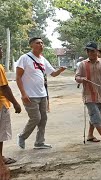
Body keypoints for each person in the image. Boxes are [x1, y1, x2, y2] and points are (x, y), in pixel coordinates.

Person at [16, 37, 66, 149]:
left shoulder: (43, 59)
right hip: (30, 95)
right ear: (31, 45)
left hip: (42, 95)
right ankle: (22, 136)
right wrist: (23, 94)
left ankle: (39, 142)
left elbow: (53, 73)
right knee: (35, 118)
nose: (41, 45)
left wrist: (60, 70)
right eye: (38, 43)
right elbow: (18, 77)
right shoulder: (25, 58)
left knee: (43, 119)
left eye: (42, 43)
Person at [75, 42, 101, 147]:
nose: (90, 53)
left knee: (96, 116)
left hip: (100, 95)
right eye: (88, 51)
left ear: (97, 51)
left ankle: (90, 135)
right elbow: (77, 78)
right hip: (88, 95)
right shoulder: (83, 64)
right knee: (96, 116)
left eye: (92, 51)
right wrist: (82, 79)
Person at [0, 44, 22, 180]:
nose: (1, 51)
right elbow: (5, 88)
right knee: (0, 136)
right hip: (1, 104)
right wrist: (15, 103)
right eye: (0, 48)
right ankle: (0, 164)